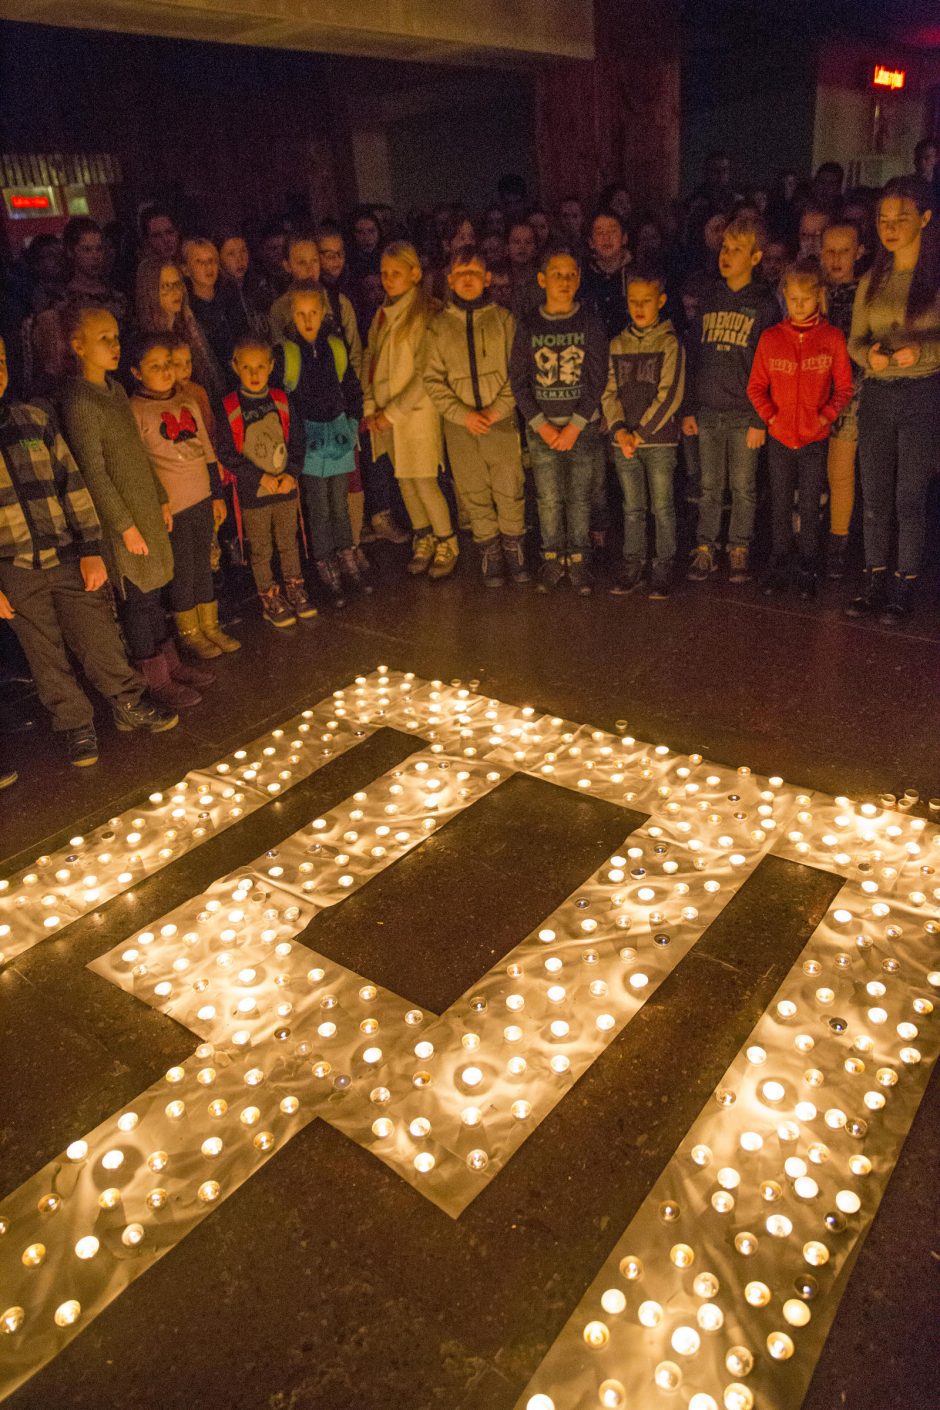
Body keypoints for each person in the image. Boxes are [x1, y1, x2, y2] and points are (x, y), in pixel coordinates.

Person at [0, 333, 177, 767]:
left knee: (97, 635)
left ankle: (127, 701)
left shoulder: (31, 418)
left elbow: (72, 482)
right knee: (44, 653)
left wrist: (91, 547)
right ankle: (76, 724)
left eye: (1, 359)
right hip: (15, 567)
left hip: (66, 554)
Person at [845, 176, 940, 622]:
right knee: (875, 494)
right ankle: (873, 579)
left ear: (924, 219)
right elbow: (855, 341)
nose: (891, 226)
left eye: (901, 218)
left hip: (922, 392)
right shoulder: (874, 278)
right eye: (884, 219)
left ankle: (905, 583)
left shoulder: (934, 278)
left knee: (909, 495)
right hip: (880, 394)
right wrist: (870, 357)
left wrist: (921, 350)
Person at [129, 332, 237, 676]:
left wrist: (217, 495)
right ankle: (189, 632)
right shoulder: (136, 411)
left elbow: (206, 450)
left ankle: (211, 625)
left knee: (204, 562)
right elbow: (140, 465)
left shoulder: (187, 402)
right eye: (156, 366)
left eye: (170, 365)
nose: (166, 372)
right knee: (183, 569)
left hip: (202, 498)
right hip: (173, 507)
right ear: (136, 372)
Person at [748, 259, 853, 598]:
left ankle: (807, 564)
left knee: (809, 503)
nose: (799, 306)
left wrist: (825, 415)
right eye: (793, 299)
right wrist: (772, 417)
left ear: (819, 297)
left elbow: (844, 388)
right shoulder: (771, 339)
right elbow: (755, 387)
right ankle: (780, 562)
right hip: (780, 437)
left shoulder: (832, 339)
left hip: (814, 438)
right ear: (785, 298)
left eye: (806, 299)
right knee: (779, 501)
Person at [423, 245, 527, 587]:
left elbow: (518, 373)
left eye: (474, 274)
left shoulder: (504, 321)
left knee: (508, 484)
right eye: (460, 274)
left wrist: (498, 409)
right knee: (472, 488)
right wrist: (462, 414)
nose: (468, 280)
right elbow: (433, 379)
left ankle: (513, 544)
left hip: (500, 420)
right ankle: (490, 549)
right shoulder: (439, 327)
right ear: (450, 280)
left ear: (486, 279)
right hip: (460, 426)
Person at [683, 214, 779, 583]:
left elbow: (768, 365)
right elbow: (694, 354)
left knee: (743, 486)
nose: (727, 254)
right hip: (708, 411)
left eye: (737, 249)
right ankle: (705, 545)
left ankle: (739, 545)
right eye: (725, 247)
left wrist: (760, 418)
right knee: (709, 486)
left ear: (755, 258)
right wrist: (690, 407)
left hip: (744, 414)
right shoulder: (709, 298)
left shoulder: (764, 304)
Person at [509, 249, 607, 595]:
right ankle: (552, 556)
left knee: (579, 495)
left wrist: (576, 424)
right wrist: (543, 425)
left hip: (581, 427)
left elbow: (597, 378)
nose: (564, 281)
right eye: (557, 274)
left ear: (578, 279)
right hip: (543, 429)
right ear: (542, 280)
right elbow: (518, 381)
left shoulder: (590, 323)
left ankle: (579, 557)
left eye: (571, 275)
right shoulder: (529, 324)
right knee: (548, 496)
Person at [363, 242, 457, 580]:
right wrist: (371, 405)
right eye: (384, 273)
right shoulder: (382, 314)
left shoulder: (427, 313)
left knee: (424, 480)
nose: (388, 280)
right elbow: (370, 360)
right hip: (386, 414)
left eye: (396, 273)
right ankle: (424, 535)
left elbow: (426, 375)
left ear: (415, 274)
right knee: (404, 479)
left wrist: (393, 412)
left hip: (416, 414)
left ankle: (447, 539)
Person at [216, 333, 314, 628]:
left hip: (285, 488)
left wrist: (292, 472)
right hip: (253, 493)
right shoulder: (231, 406)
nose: (254, 374)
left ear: (271, 366)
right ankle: (269, 595)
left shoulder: (282, 401)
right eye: (247, 367)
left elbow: (297, 440)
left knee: (288, 541)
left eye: (260, 367)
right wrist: (259, 477)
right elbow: (226, 452)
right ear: (235, 366)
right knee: (261, 548)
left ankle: (294, 587)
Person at [278, 282, 366, 603]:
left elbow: (352, 386)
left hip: (338, 434)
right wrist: (295, 441)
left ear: (323, 312)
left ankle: (346, 555)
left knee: (339, 503)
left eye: (313, 312)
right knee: (318, 507)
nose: (308, 319)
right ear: (292, 315)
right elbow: (285, 402)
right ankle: (325, 562)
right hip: (310, 439)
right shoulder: (287, 353)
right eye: (301, 314)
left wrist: (353, 421)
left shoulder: (335, 346)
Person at [602, 269, 685, 599]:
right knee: (632, 507)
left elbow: (671, 394)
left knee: (662, 507)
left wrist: (641, 432)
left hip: (658, 440)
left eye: (646, 301)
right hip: (624, 442)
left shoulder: (669, 343)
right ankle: (633, 563)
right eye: (633, 302)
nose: (639, 307)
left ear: (660, 302)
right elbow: (608, 391)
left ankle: (662, 564)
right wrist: (621, 430)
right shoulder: (617, 344)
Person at [29, 217, 127, 395]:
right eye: (87, 250)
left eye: (99, 249)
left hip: (121, 379)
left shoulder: (118, 296)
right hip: (81, 386)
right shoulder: (59, 301)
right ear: (71, 252)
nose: (95, 256)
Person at [820, 221, 865, 577]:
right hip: (808, 391)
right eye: (829, 250)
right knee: (807, 469)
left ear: (859, 252)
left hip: (849, 393)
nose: (836, 259)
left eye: (844, 251)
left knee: (840, 471)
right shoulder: (810, 289)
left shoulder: (864, 292)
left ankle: (837, 542)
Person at [269, 234, 362, 375]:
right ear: (287, 265)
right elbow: (281, 360)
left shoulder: (339, 303)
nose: (310, 269)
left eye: (314, 261)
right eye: (301, 263)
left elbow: (355, 356)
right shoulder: (280, 309)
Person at [134, 256, 223, 399]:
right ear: (150, 292)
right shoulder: (144, 341)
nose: (175, 292)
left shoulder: (189, 326)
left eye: (177, 284)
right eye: (166, 287)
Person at [183, 238, 246, 375]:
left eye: (212, 260)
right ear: (186, 269)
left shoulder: (231, 297)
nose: (208, 266)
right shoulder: (188, 310)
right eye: (199, 262)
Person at [581, 210, 631, 339]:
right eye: (600, 233)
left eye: (612, 231)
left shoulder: (636, 272)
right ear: (591, 242)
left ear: (624, 238)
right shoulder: (581, 275)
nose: (606, 238)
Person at [507, 221, 540, 319]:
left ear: (535, 248)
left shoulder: (544, 282)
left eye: (528, 242)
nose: (522, 247)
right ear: (507, 247)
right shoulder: (500, 281)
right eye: (516, 242)